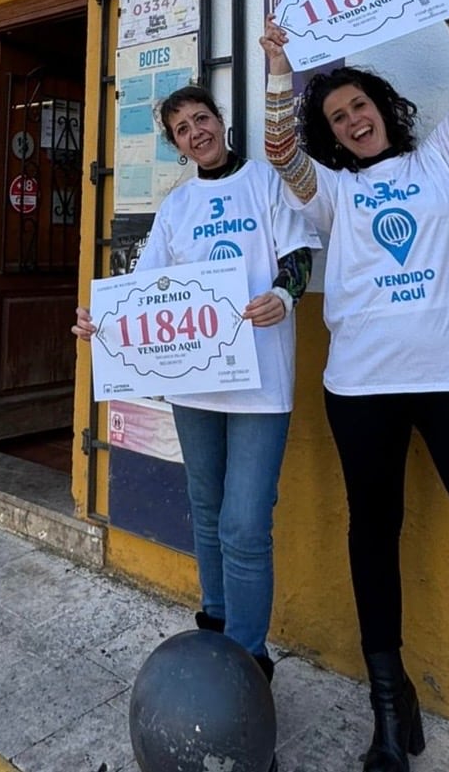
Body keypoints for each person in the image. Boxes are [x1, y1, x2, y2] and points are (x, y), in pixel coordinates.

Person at [259, 0, 449, 772]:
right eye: (338, 118)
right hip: (360, 391)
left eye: (360, 105)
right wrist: (280, 68)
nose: (352, 120)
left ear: (385, 106)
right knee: (374, 540)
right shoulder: (333, 192)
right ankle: (392, 713)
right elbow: (282, 151)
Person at [73, 85, 318, 690]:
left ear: (220, 120)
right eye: (181, 128)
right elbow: (145, 288)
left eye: (201, 118)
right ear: (176, 145)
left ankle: (248, 660)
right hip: (195, 386)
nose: (195, 132)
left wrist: (285, 295)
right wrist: (102, 324)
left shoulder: (264, 180)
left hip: (260, 385)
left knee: (244, 523)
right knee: (207, 512)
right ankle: (215, 626)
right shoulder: (177, 206)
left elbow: (300, 257)